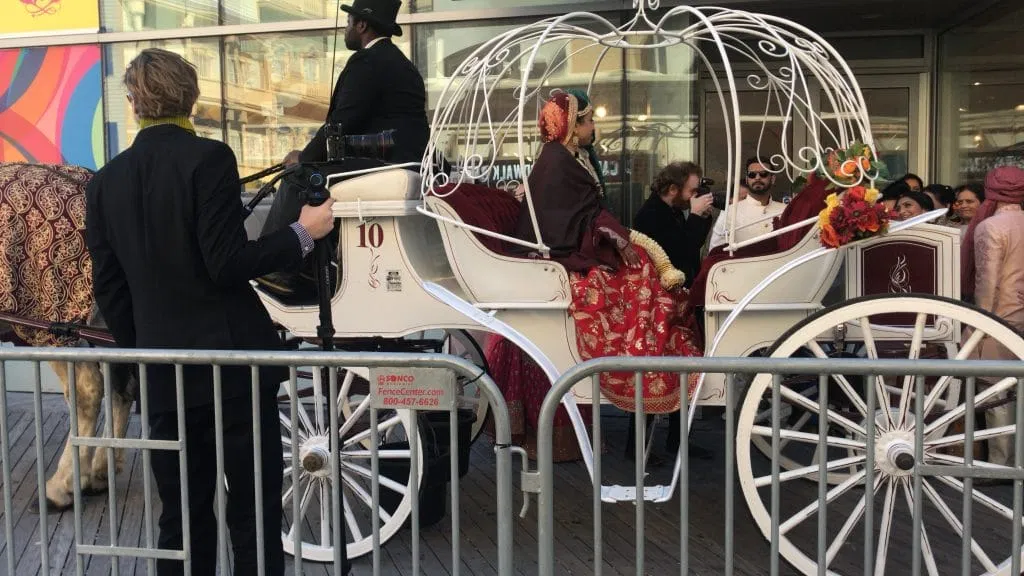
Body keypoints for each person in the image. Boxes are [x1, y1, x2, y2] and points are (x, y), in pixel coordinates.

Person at [84, 49, 338, 576]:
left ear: (134, 104)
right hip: (234, 369)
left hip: (164, 373)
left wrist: (144, 360)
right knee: (252, 511)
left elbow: (110, 291)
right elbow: (226, 264)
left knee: (180, 518)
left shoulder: (104, 182)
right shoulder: (209, 159)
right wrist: (302, 234)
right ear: (192, 97)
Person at [487, 88, 703, 461]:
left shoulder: (572, 157)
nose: (593, 126)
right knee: (633, 284)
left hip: (579, 247)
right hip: (565, 254)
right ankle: (645, 358)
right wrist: (607, 237)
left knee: (641, 274)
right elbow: (563, 222)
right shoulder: (558, 161)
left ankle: (657, 352)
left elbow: (583, 211)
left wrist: (611, 235)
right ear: (572, 126)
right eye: (588, 120)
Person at [259, 0, 428, 296]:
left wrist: (304, 157)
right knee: (312, 175)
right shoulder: (403, 65)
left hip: (386, 165)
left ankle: (278, 267)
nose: (347, 28)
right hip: (406, 163)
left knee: (298, 179)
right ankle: (312, 268)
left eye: (349, 22)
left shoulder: (367, 62)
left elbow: (341, 123)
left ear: (362, 25)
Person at [630, 162, 715, 461]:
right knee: (653, 373)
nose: (695, 195)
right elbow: (679, 252)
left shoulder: (669, 212)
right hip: (657, 305)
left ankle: (673, 441)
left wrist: (698, 217)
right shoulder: (653, 215)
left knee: (680, 370)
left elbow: (690, 247)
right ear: (672, 189)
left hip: (673, 301)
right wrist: (694, 216)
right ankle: (638, 446)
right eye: (691, 190)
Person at [961, 166, 1024, 468]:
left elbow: (986, 282)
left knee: (996, 391)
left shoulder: (990, 227)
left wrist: (980, 323)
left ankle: (1001, 462)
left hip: (1001, 318)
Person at [708, 157, 786, 250]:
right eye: (752, 174)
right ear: (746, 179)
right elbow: (716, 252)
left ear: (772, 179)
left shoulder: (785, 210)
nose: (757, 178)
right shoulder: (730, 212)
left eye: (763, 174)